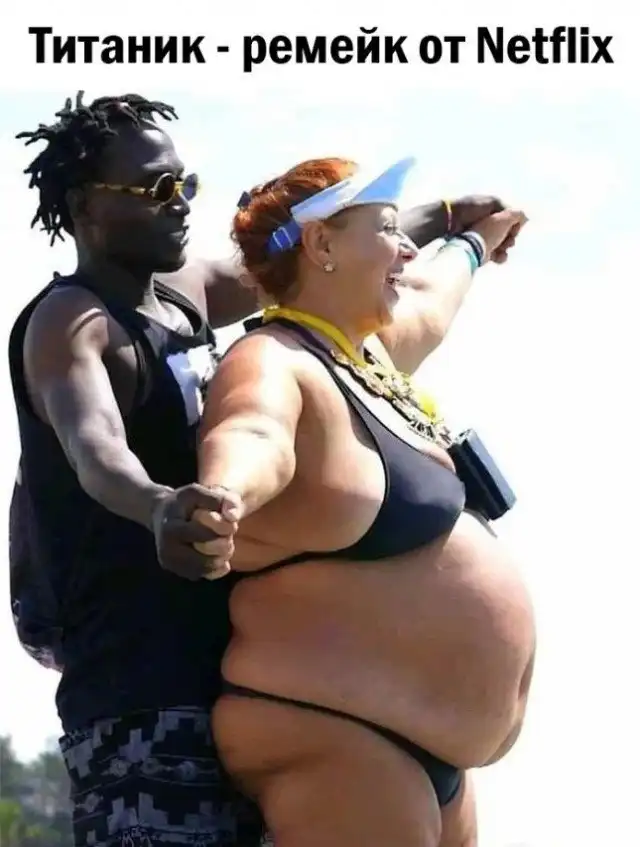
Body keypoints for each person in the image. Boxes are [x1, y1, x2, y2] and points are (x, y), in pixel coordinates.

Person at [8, 93, 507, 847]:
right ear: (84, 206)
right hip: (140, 695)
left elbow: (310, 247)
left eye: (186, 184)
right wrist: (158, 505)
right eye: (156, 188)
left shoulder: (188, 293)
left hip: (235, 680)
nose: (180, 203)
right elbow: (95, 448)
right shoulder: (69, 324)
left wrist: (445, 218)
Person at [194, 156, 534, 847]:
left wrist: (476, 238)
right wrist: (224, 494)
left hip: (426, 748)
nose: (406, 248)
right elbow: (253, 432)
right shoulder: (273, 359)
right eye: (386, 229)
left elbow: (432, 296)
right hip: (337, 731)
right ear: (321, 244)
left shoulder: (369, 356)